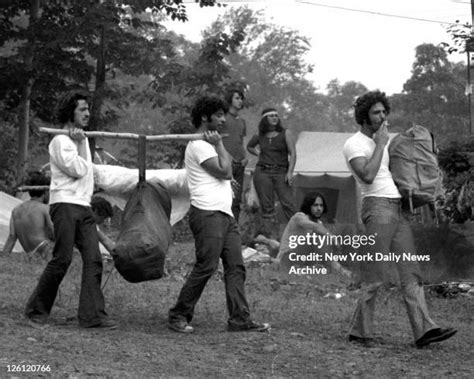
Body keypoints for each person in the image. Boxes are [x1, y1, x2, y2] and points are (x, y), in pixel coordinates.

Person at [342, 90, 456, 348]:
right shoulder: (355, 144)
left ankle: (425, 330)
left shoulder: (386, 142)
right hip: (377, 207)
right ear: (364, 116)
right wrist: (381, 143)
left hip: (397, 208)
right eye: (376, 112)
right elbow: (367, 176)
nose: (382, 116)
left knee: (411, 271)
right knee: (376, 273)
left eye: (384, 111)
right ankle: (360, 331)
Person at [168, 95, 270, 333]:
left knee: (236, 266)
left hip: (225, 215)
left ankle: (239, 319)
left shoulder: (209, 144)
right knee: (207, 265)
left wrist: (228, 180)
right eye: (219, 115)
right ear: (205, 117)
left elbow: (226, 174)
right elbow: (224, 170)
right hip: (207, 214)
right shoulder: (198, 145)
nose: (223, 120)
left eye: (224, 115)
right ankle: (178, 315)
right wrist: (220, 146)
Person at [25, 91, 116, 329]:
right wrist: (78, 143)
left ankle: (92, 316)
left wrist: (81, 142)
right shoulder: (60, 141)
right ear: (70, 113)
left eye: (87, 110)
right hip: (64, 204)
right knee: (62, 258)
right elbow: (78, 169)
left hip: (83, 206)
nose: (87, 114)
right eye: (82, 110)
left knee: (94, 259)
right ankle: (36, 309)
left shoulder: (80, 139)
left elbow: (87, 169)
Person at [265, 192, 352, 278]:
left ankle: (340, 268)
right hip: (287, 258)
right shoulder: (299, 217)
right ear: (308, 206)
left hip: (303, 260)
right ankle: (340, 270)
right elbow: (314, 227)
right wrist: (331, 237)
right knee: (317, 238)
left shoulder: (319, 223)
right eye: (315, 205)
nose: (319, 209)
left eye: (321, 206)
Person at [247, 107, 296, 238]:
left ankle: (299, 236)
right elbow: (249, 146)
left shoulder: (285, 133)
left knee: (288, 204)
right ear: (265, 119)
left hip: (281, 172)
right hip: (263, 172)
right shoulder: (259, 134)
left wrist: (290, 172)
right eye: (271, 116)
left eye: (276, 116)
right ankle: (272, 238)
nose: (274, 118)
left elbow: (293, 153)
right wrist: (259, 153)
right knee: (267, 207)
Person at [2, 171, 54, 260]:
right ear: (45, 192)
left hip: (30, 255)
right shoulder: (45, 209)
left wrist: (3, 259)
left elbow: (11, 237)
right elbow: (56, 233)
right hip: (46, 251)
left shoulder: (16, 210)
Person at [220, 88, 248, 222]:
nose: (240, 101)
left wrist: (245, 157)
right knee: (224, 197)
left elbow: (240, 140)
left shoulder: (242, 121)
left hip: (239, 164)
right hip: (225, 164)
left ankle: (234, 229)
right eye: (237, 98)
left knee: (236, 200)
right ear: (230, 100)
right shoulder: (223, 119)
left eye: (241, 98)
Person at [90, 196, 115, 261]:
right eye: (103, 218)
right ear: (95, 211)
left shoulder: (91, 225)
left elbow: (104, 240)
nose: (102, 221)